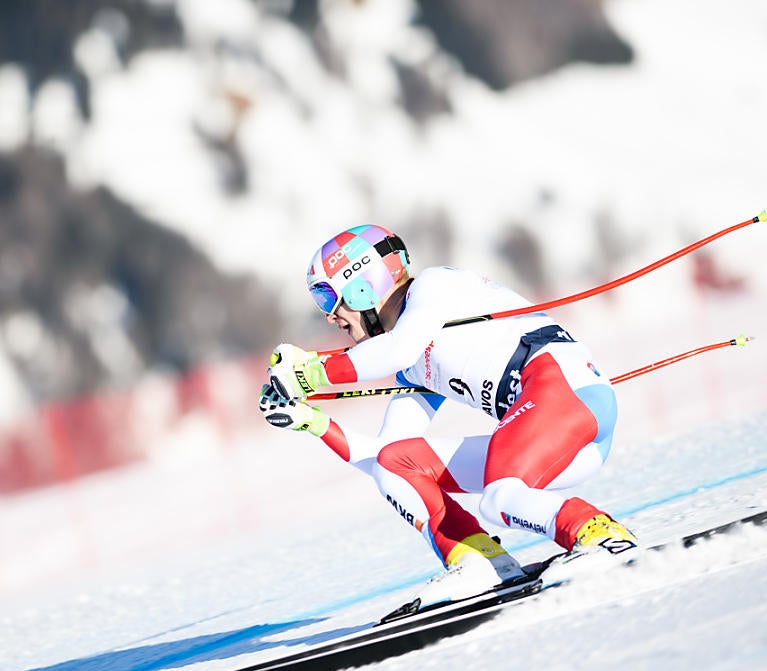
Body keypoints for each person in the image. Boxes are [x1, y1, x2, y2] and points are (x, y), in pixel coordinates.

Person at [259, 224, 636, 609]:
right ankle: (481, 563)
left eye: (326, 297)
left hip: (565, 393)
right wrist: (313, 421)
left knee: (499, 498)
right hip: (551, 433)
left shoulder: (433, 288)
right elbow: (387, 459)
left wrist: (311, 372)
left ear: (362, 284)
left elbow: (396, 351)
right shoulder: (413, 362)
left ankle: (599, 536)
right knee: (397, 466)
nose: (329, 316)